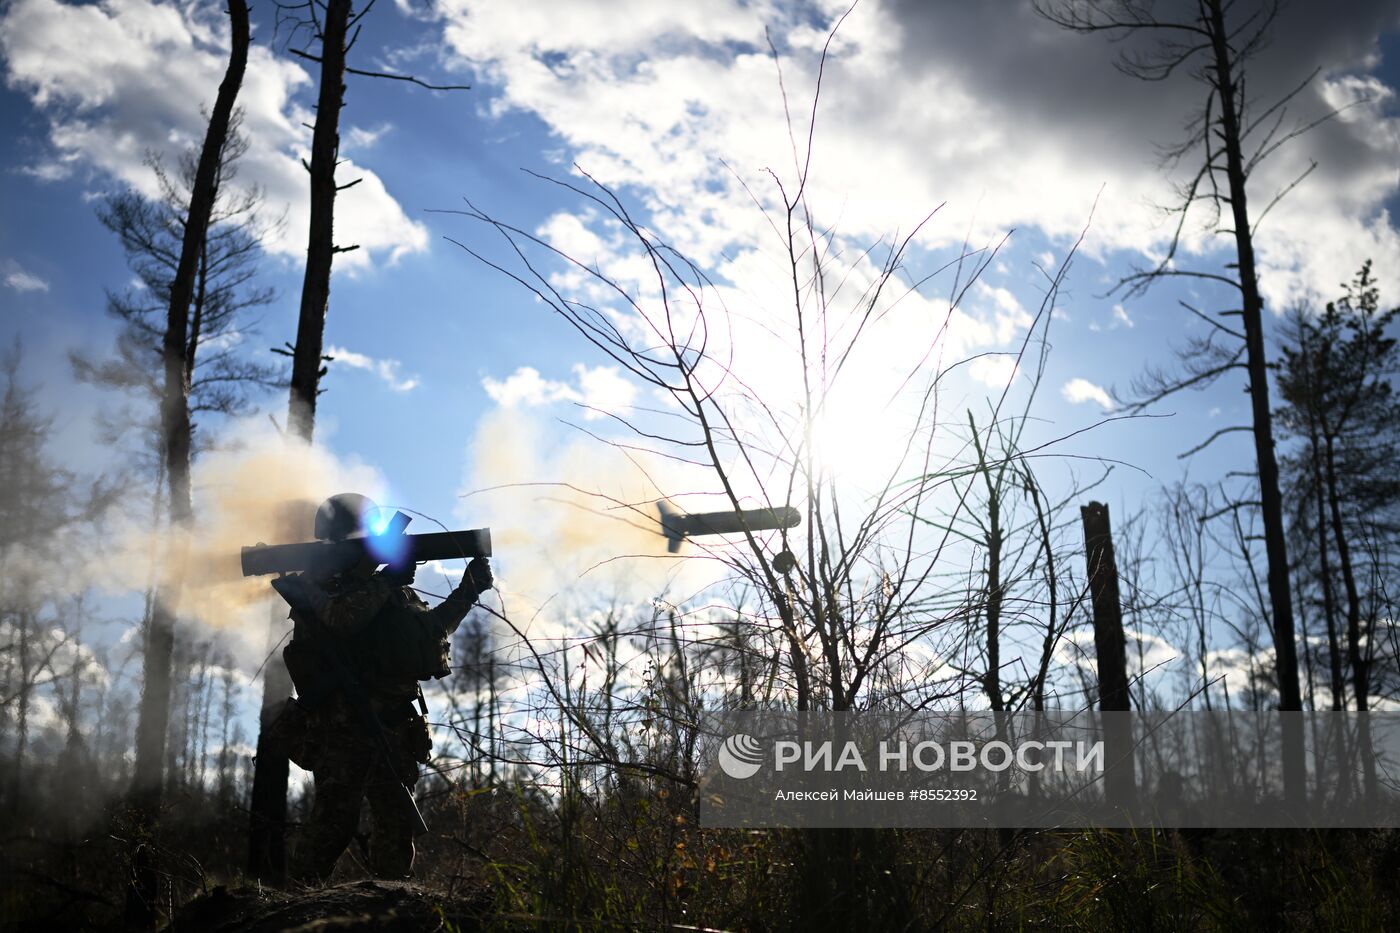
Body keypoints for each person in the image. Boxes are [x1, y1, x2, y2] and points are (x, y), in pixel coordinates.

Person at [274, 493, 493, 883]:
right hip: (344, 729)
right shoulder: (314, 587)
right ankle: (295, 906)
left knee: (394, 828)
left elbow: (427, 636)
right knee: (332, 826)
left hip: (394, 728)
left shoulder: (387, 588)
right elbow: (343, 620)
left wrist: (467, 592)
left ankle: (390, 910)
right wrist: (386, 579)